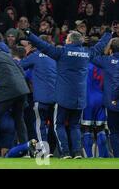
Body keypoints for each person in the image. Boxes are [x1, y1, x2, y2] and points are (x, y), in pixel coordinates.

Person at [25, 28, 112, 158]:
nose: (65, 40)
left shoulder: (62, 52)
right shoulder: (87, 53)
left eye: (66, 39)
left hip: (63, 97)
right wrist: (108, 33)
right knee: (75, 126)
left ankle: (65, 152)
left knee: (58, 125)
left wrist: (29, 35)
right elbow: (100, 47)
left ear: (70, 40)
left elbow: (43, 46)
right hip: (80, 98)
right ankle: (77, 152)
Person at [19, 37, 57, 157]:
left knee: (40, 125)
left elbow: (20, 66)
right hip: (57, 98)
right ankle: (59, 151)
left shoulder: (35, 56)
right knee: (55, 126)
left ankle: (44, 152)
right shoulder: (56, 56)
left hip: (40, 98)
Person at [91, 38, 119, 157]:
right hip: (112, 101)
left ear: (110, 49)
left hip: (113, 103)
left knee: (114, 131)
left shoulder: (107, 60)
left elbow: (91, 55)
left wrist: (105, 44)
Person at [81, 63, 108, 158]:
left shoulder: (83, 64)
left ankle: (89, 156)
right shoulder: (102, 65)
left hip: (87, 100)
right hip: (101, 99)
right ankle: (102, 156)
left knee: (86, 129)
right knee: (101, 129)